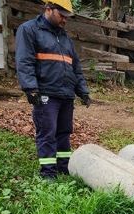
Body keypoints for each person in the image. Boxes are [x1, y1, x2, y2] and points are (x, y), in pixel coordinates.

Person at [15, 0, 90, 179]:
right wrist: (30, 88)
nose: (65, 20)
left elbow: (75, 67)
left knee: (64, 133)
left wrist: (83, 91)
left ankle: (63, 169)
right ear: (49, 9)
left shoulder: (65, 38)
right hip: (46, 94)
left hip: (66, 95)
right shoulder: (29, 30)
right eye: (61, 15)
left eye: (67, 17)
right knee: (48, 133)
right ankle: (48, 174)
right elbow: (24, 61)